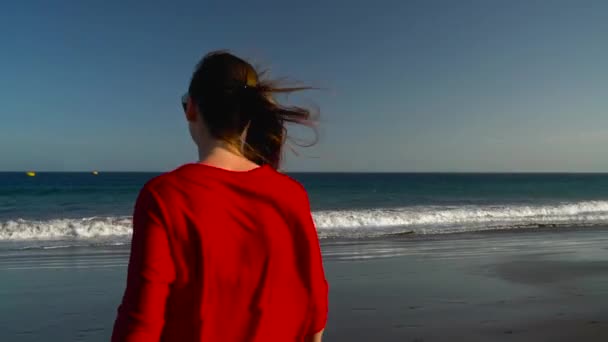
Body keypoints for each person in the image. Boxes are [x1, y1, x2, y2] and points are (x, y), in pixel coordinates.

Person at [111, 51, 328, 342]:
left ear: (192, 109)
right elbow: (314, 315)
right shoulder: (291, 195)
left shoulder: (165, 196)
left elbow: (141, 325)